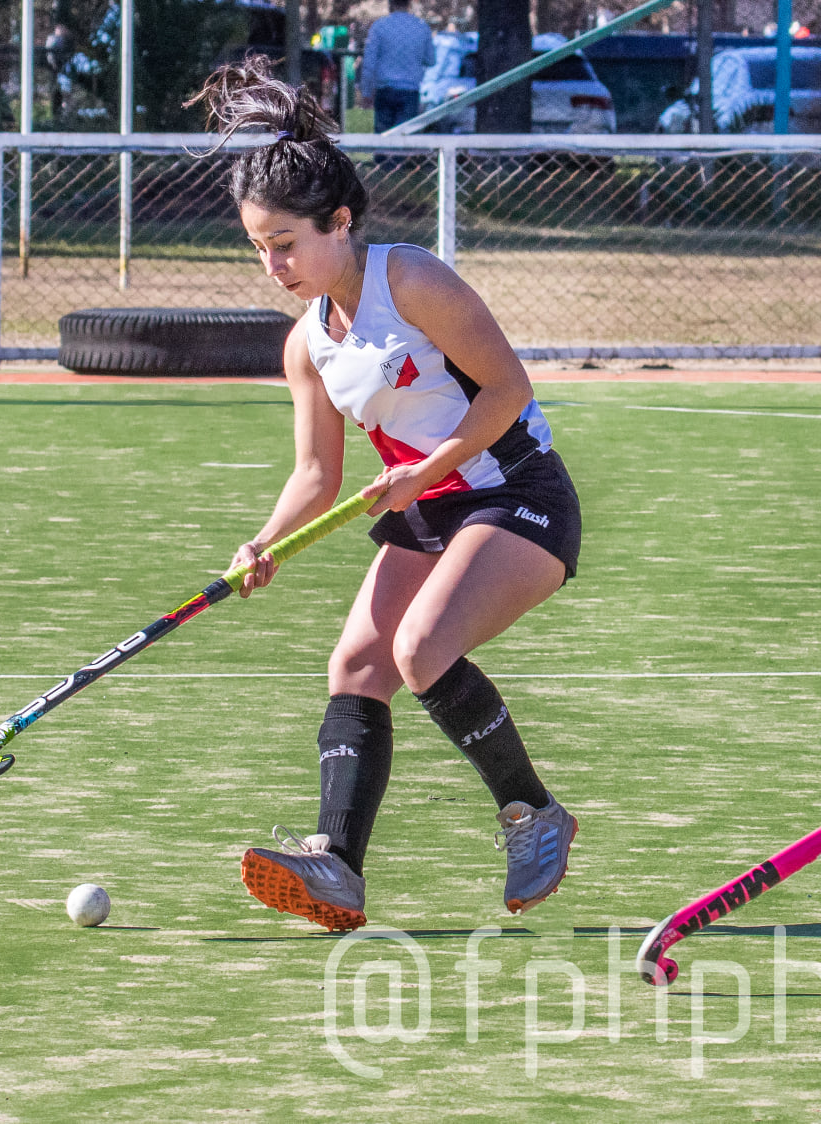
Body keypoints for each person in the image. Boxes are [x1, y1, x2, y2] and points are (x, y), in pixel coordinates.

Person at [187, 59, 583, 929]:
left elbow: (509, 389)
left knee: (420, 649)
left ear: (339, 221)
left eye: (285, 243)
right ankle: (337, 868)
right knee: (357, 668)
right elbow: (316, 477)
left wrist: (428, 469)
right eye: (258, 247)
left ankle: (532, 810)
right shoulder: (308, 345)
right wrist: (264, 545)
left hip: (515, 492)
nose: (272, 265)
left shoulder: (412, 282)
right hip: (427, 506)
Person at [359, 0, 437, 132]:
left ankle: (383, 153)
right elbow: (431, 60)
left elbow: (369, 63)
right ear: (409, 4)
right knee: (405, 140)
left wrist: (366, 92)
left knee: (383, 138)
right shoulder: (421, 27)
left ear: (390, 4)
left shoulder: (379, 26)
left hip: (385, 89)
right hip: (410, 90)